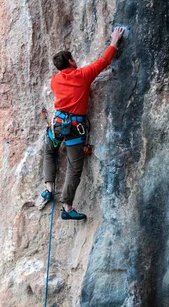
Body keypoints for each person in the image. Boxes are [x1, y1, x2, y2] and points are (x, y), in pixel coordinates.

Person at [41, 27, 125, 220]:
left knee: (50, 151)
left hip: (58, 126)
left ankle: (48, 188)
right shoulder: (82, 76)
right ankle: (67, 207)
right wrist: (114, 41)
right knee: (74, 167)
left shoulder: (55, 80)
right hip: (74, 130)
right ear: (71, 61)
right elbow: (103, 62)